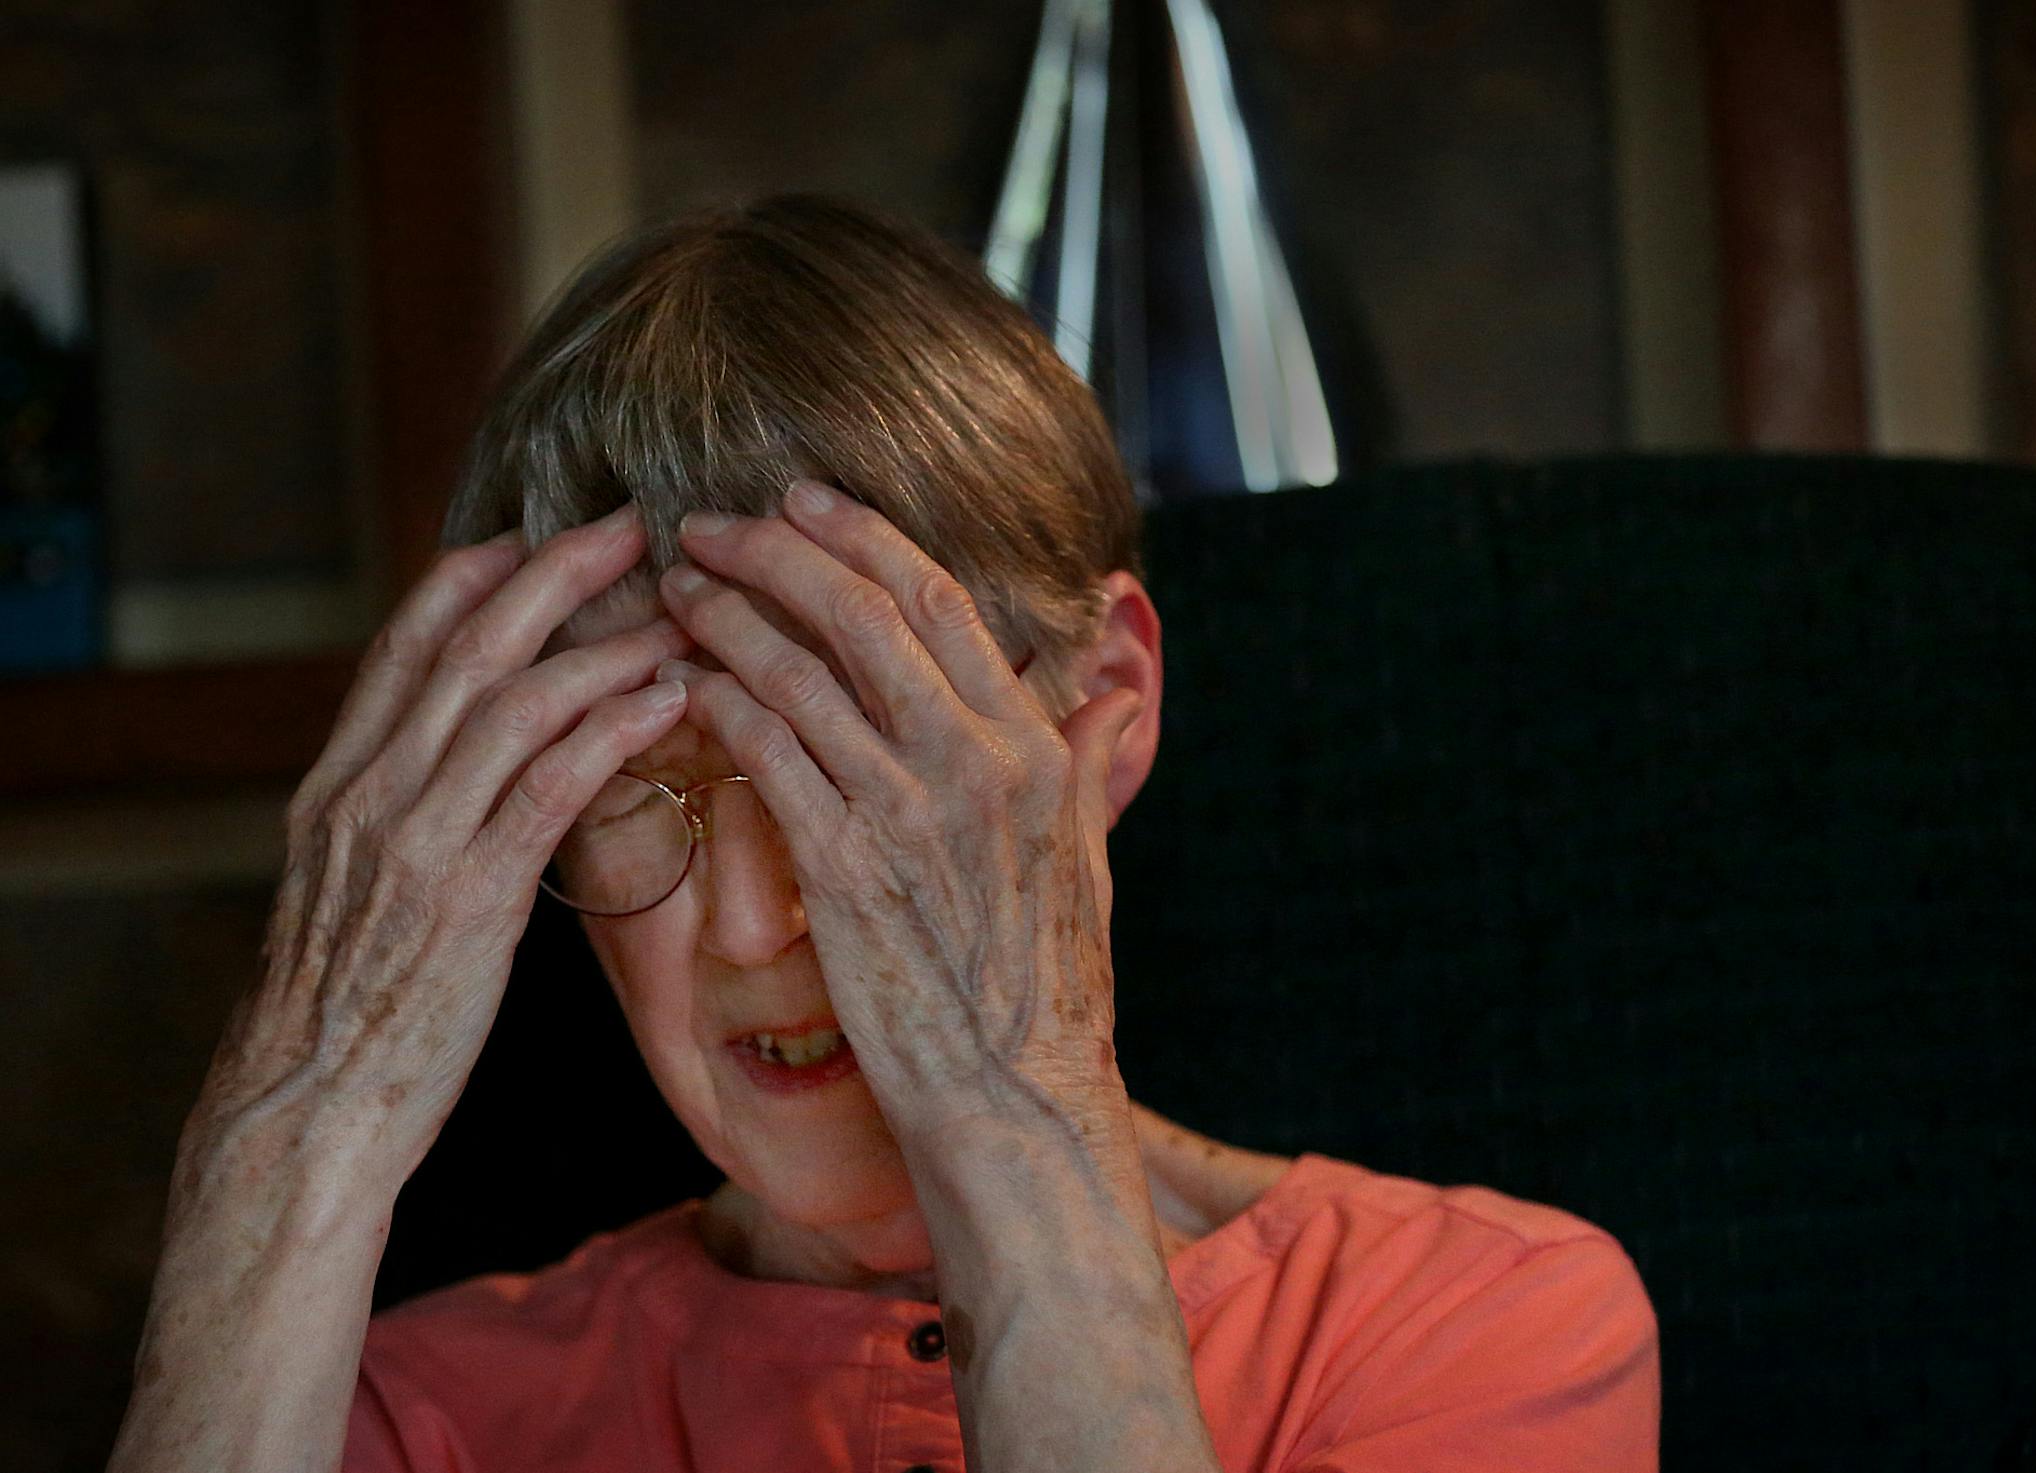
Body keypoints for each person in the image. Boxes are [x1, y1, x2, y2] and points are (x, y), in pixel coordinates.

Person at [107, 195, 1659, 1473]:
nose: (745, 925)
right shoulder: (390, 1413)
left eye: (842, 764)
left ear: (1102, 707)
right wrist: (291, 1124)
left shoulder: (1476, 1320)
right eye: (634, 791)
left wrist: (1012, 1114)